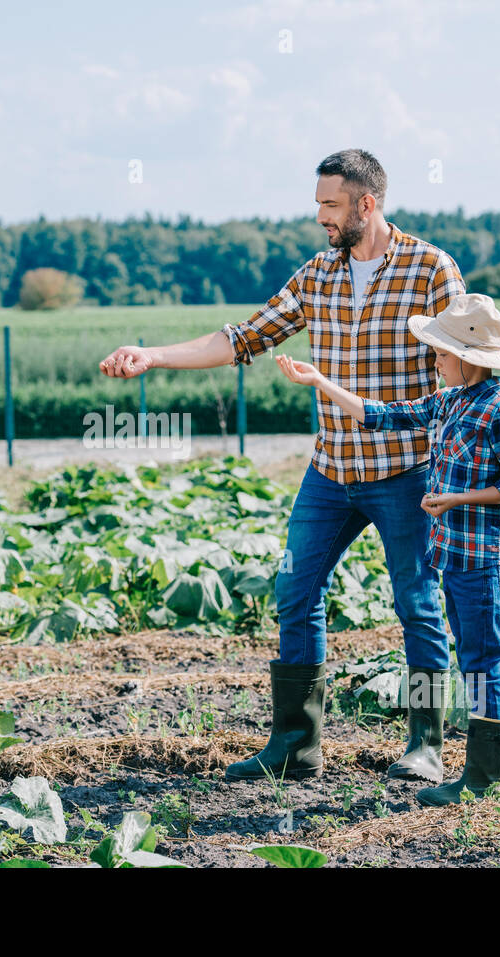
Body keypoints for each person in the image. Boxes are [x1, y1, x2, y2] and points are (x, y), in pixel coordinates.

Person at [99, 148, 469, 783]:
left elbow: (467, 361)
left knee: (417, 601)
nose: (321, 216)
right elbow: (243, 337)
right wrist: (153, 354)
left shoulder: (429, 269)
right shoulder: (317, 274)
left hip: (407, 471)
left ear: (366, 204)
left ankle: (426, 745)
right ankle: (296, 745)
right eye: (318, 204)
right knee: (295, 590)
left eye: (330, 205)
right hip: (331, 472)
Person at [275, 292, 500, 804]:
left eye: (440, 354)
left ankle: (484, 781)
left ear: (468, 359)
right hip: (455, 557)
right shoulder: (449, 402)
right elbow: (380, 416)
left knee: (484, 660)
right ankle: (499, 778)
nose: (434, 361)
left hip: (485, 560)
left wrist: (452, 498)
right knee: (477, 658)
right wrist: (321, 383)